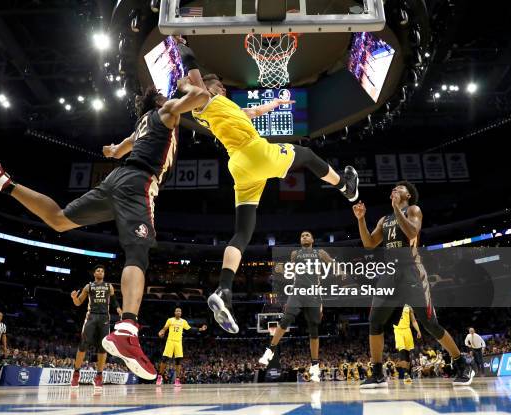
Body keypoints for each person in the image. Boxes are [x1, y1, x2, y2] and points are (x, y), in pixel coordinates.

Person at [0, 81, 209, 381]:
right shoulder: (167, 111)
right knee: (138, 251)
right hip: (138, 184)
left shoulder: (143, 125)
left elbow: (117, 151)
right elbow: (202, 96)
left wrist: (114, 148)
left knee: (61, 219)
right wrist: (185, 83)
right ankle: (128, 330)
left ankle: (0, 181)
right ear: (160, 102)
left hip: (117, 179)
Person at [176, 38, 360, 334]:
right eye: (220, 87)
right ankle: (346, 186)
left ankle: (224, 290)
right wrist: (183, 47)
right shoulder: (204, 99)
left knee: (242, 232)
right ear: (209, 89)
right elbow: (193, 74)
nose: (224, 90)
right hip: (255, 152)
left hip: (239, 165)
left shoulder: (220, 110)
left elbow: (250, 114)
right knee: (308, 155)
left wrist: (275, 104)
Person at [352, 181, 474, 388]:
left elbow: (412, 233)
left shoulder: (413, 210)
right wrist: (361, 220)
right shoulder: (385, 219)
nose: (395, 189)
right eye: (393, 188)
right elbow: (369, 244)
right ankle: (378, 372)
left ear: (408, 195)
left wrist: (396, 209)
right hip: (389, 274)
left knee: (429, 324)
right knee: (375, 321)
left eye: (399, 188)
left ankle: (462, 364)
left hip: (411, 271)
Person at [258, 231, 336, 383]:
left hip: (314, 293)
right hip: (298, 291)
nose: (305, 237)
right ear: (300, 241)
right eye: (302, 236)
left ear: (313, 239)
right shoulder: (295, 254)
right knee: (286, 319)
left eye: (307, 235)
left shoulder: (320, 252)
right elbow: (292, 271)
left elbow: (332, 265)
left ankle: (314, 366)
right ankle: (270, 351)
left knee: (314, 329)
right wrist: (281, 271)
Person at [69, 264, 120, 389]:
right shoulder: (88, 286)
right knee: (83, 345)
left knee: (103, 347)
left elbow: (113, 301)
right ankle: (76, 373)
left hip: (104, 318)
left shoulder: (109, 286)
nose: (100, 272)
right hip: (91, 317)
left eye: (102, 271)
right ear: (94, 273)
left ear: (104, 274)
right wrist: (74, 298)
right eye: (98, 270)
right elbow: (78, 303)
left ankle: (99, 376)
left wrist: (119, 309)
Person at [156, 307, 207, 386]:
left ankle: (177, 379)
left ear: (181, 313)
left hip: (178, 343)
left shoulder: (183, 321)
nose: (178, 312)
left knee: (178, 361)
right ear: (174, 312)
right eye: (177, 311)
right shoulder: (170, 320)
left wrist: (200, 329)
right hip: (170, 341)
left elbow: (190, 329)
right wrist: (161, 332)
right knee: (164, 359)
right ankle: (159, 377)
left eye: (180, 311)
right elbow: (165, 328)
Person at [393, 305, 422, 383]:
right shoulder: (393, 305)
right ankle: (406, 373)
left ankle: (408, 373)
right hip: (398, 330)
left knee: (408, 352)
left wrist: (418, 330)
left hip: (407, 330)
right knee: (402, 351)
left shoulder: (409, 307)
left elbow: (413, 321)